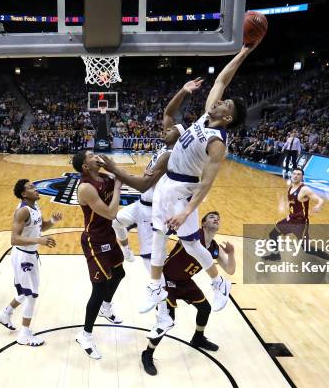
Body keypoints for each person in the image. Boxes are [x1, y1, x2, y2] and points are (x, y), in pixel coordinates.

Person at [143, 41, 260, 322]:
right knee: (159, 235)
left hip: (183, 191)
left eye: (225, 103)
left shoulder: (217, 142)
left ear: (228, 117)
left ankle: (220, 283)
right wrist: (244, 51)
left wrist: (186, 211)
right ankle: (156, 287)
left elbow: (206, 182)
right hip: (166, 185)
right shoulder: (208, 114)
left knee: (192, 244)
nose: (220, 100)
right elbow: (222, 78)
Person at [102, 79, 204, 268]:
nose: (165, 130)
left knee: (150, 262)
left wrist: (114, 169)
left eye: (171, 129)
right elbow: (168, 112)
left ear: (179, 137)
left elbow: (142, 185)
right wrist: (183, 90)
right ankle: (126, 252)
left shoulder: (171, 156)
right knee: (116, 223)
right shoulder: (166, 146)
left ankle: (161, 293)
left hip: (152, 210)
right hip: (141, 203)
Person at [141, 211, 235, 376]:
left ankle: (198, 338)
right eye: (212, 217)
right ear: (203, 223)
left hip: (185, 282)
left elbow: (230, 269)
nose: (216, 219)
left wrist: (231, 253)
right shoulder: (192, 236)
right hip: (167, 280)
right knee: (168, 320)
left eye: (218, 218)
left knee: (205, 308)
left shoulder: (214, 248)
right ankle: (147, 354)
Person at [0, 179, 62, 346]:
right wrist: (39, 240)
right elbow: (14, 239)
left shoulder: (35, 207)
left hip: (29, 254)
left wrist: (52, 221)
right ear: (24, 194)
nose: (36, 188)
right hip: (24, 256)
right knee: (31, 295)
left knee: (25, 292)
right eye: (31, 187)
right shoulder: (22, 211)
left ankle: (5, 313)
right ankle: (24, 334)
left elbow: (41, 227)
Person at [73, 151, 125, 360]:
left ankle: (106, 306)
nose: (96, 156)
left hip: (108, 236)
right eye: (91, 156)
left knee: (119, 273)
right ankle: (85, 335)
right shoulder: (85, 188)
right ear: (86, 167)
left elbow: (121, 175)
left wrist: (114, 169)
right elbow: (111, 213)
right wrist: (119, 186)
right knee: (99, 288)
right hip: (94, 241)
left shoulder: (104, 177)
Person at [262, 168, 329, 276]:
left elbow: (320, 199)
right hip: (290, 219)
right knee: (273, 234)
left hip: (300, 224)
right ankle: (276, 255)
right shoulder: (291, 187)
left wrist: (318, 205)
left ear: (302, 177)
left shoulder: (304, 189)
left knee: (307, 249)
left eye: (298, 174)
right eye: (294, 174)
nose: (296, 176)